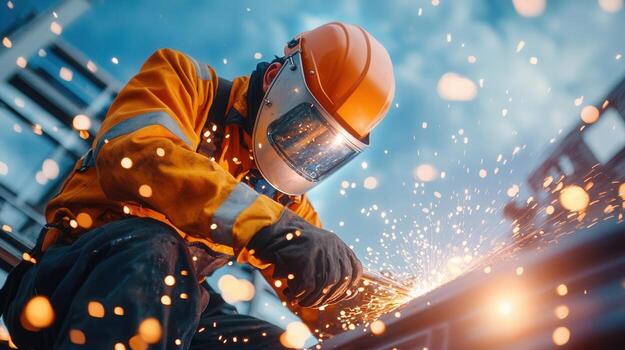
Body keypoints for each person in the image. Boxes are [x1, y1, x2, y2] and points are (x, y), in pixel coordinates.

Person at [0, 22, 395, 349]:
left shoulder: (286, 203)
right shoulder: (186, 84)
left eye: (320, 146)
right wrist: (270, 228)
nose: (304, 146)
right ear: (277, 79)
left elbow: (321, 289)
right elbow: (137, 157)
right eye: (303, 128)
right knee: (157, 247)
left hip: (176, 310)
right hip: (66, 281)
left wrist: (387, 313)